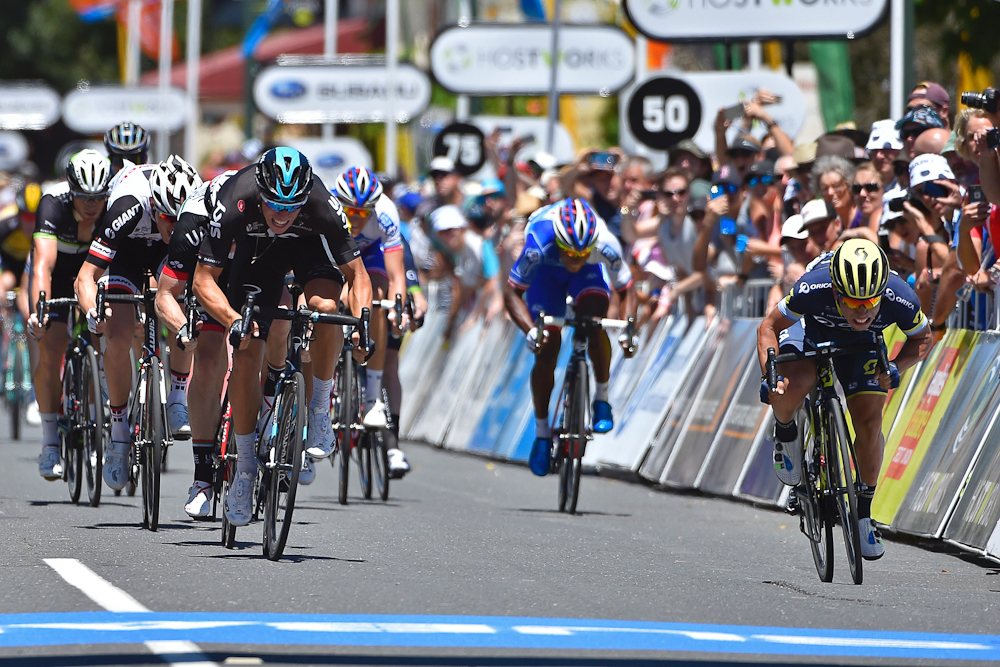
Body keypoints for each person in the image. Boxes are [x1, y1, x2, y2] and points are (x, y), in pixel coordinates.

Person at [192, 148, 372, 527]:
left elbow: (357, 277)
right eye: (274, 203)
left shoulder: (322, 204)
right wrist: (232, 319)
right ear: (260, 191)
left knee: (326, 310)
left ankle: (320, 410)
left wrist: (362, 322)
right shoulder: (235, 200)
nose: (282, 213)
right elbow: (203, 280)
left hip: (309, 249)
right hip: (258, 256)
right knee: (245, 352)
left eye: (292, 205)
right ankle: (243, 469)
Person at [757, 238, 932, 560]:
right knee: (793, 385)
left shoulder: (900, 296)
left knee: (868, 422)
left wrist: (896, 366)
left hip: (863, 344)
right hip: (810, 331)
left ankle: (863, 515)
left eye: (870, 302)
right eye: (852, 302)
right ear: (836, 292)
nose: (862, 311)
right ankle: (785, 433)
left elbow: (923, 337)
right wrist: (771, 374)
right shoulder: (813, 287)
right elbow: (768, 326)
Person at [75, 155, 203, 491]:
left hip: (168, 255)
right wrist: (92, 310)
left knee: (183, 306)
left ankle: (177, 396)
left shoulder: (196, 209)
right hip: (127, 251)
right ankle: (118, 434)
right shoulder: (128, 205)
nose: (172, 226)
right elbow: (86, 276)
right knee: (117, 335)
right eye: (166, 218)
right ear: (153, 205)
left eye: (179, 219)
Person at [504, 197, 637, 477]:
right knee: (547, 348)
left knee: (594, 322)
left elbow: (626, 290)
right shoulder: (538, 244)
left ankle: (601, 398)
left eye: (581, 254)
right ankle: (542, 434)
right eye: (570, 254)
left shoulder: (604, 244)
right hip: (546, 275)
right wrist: (530, 331)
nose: (575, 260)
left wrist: (629, 328)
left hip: (591, 273)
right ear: (559, 244)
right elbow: (512, 292)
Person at [153, 170, 250, 515]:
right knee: (208, 359)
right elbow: (166, 295)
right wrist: (181, 328)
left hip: (255, 266)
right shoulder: (193, 221)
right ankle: (203, 475)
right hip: (207, 274)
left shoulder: (265, 212)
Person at [27, 150, 111, 480]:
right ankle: (49, 442)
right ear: (70, 190)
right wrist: (40, 313)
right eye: (84, 197)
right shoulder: (52, 204)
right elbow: (42, 267)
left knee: (103, 332)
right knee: (51, 344)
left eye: (98, 197)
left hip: (96, 271)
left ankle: (95, 418)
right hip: (59, 272)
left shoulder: (112, 208)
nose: (92, 205)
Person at [332, 167, 411, 477]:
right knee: (327, 298)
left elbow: (396, 274)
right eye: (351, 210)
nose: (358, 217)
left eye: (365, 211)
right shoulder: (328, 209)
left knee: (378, 300)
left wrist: (398, 306)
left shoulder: (387, 214)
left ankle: (372, 398)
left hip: (371, 255)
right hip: (336, 252)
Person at [866, 120, 903, 191]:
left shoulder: (908, 187)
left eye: (886, 149)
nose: (879, 156)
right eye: (874, 150)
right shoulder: (866, 187)